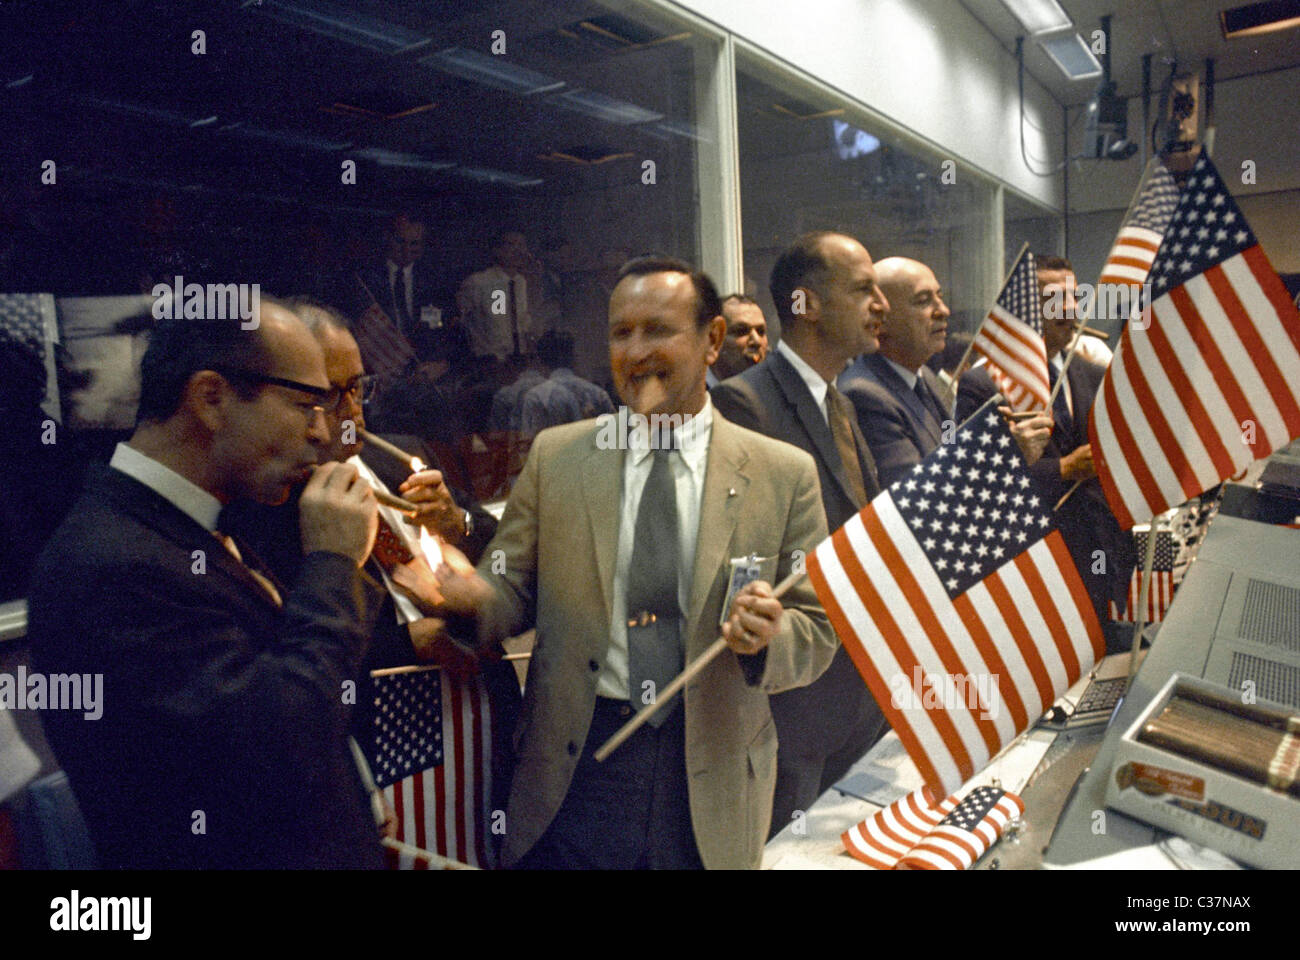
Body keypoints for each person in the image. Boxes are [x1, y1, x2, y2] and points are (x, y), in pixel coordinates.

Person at [430, 256, 838, 869]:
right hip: (577, 768)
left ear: (712, 341)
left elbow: (817, 628)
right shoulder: (559, 456)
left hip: (709, 776)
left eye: (657, 330)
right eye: (622, 333)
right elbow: (509, 582)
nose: (635, 349)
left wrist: (768, 638)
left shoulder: (782, 474)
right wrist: (466, 599)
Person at [27, 301, 386, 869]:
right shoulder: (109, 563)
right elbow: (281, 745)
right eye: (305, 405)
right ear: (211, 398)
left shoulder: (201, 521)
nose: (323, 433)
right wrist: (334, 565)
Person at [221, 299, 516, 862]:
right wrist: (412, 641)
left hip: (476, 716)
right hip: (372, 740)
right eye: (330, 395)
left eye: (359, 388)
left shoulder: (402, 457)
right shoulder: (266, 504)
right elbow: (287, 651)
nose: (351, 411)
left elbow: (492, 549)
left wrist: (460, 522)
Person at [711, 231, 891, 836]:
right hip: (791, 715)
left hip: (855, 699)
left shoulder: (840, 403)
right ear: (807, 304)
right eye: (863, 289)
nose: (880, 305)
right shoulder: (745, 405)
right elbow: (742, 577)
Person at [956, 255, 1135, 620]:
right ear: (1024, 306)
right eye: (1055, 298)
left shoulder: (1091, 374)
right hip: (1031, 561)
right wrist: (1064, 469)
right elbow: (977, 480)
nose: (1069, 309)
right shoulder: (985, 384)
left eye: (1074, 297)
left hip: (1097, 554)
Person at [839, 257, 953, 487]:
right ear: (881, 319)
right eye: (923, 301)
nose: (943, 311)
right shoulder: (865, 395)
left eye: (939, 297)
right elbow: (915, 494)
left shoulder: (928, 378)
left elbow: (951, 446)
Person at [352, 212, 459, 362]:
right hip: (380, 360)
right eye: (400, 241)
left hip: (424, 363)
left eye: (414, 243)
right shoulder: (365, 278)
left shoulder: (435, 280)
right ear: (388, 239)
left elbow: (440, 323)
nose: (406, 249)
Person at [518, 330, 614, 436]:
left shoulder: (535, 397)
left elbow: (529, 441)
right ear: (573, 356)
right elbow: (614, 438)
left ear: (541, 360)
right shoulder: (598, 394)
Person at [458, 231, 535, 360]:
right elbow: (461, 321)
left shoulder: (522, 282)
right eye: (511, 245)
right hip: (489, 361)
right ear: (497, 250)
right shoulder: (478, 282)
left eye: (521, 245)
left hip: (519, 360)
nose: (517, 250)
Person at [707, 294, 769, 386]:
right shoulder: (685, 393)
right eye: (741, 331)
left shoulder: (775, 394)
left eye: (761, 331)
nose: (757, 341)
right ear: (714, 339)